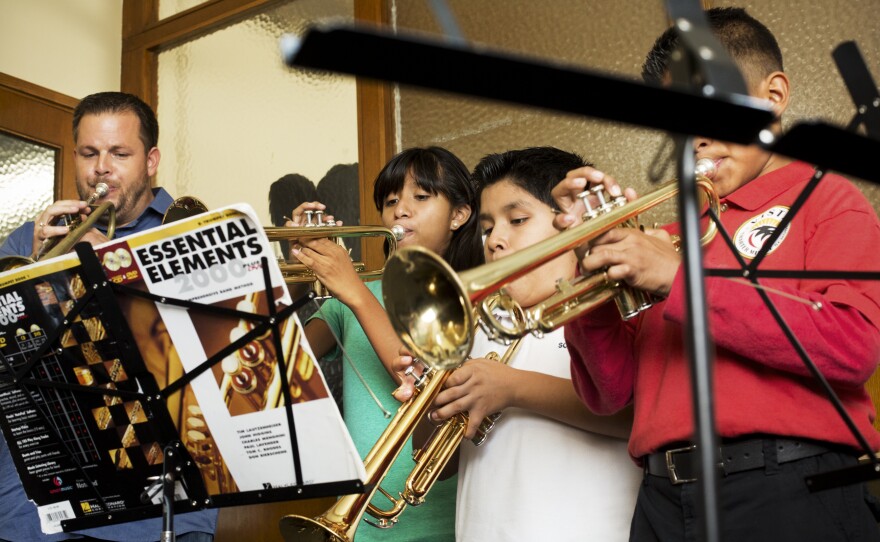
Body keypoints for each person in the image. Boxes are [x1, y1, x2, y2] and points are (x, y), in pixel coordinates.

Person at [551, 8, 880, 541]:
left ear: (773, 96)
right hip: (662, 499)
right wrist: (589, 263)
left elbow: (853, 346)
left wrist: (678, 281)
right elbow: (611, 394)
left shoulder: (827, 200)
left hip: (790, 487)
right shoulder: (668, 236)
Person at [391, 147, 640, 541]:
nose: (495, 241)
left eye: (518, 220)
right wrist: (430, 400)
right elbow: (440, 459)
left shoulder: (615, 308)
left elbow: (636, 418)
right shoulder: (476, 322)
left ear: (574, 218)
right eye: (487, 228)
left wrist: (512, 387)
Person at [0, 92, 217, 541]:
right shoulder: (27, 240)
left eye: (119, 153)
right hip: (32, 510)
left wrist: (114, 275)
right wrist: (40, 274)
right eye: (89, 153)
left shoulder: (191, 232)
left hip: (155, 513)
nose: (101, 167)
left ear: (151, 160)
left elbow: (216, 365)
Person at [286, 147, 483, 541]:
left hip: (438, 519)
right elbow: (285, 362)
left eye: (421, 198)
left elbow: (422, 376)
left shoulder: (470, 296)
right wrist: (296, 270)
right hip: (356, 520)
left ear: (459, 216)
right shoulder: (353, 295)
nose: (401, 210)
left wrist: (354, 290)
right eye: (391, 201)